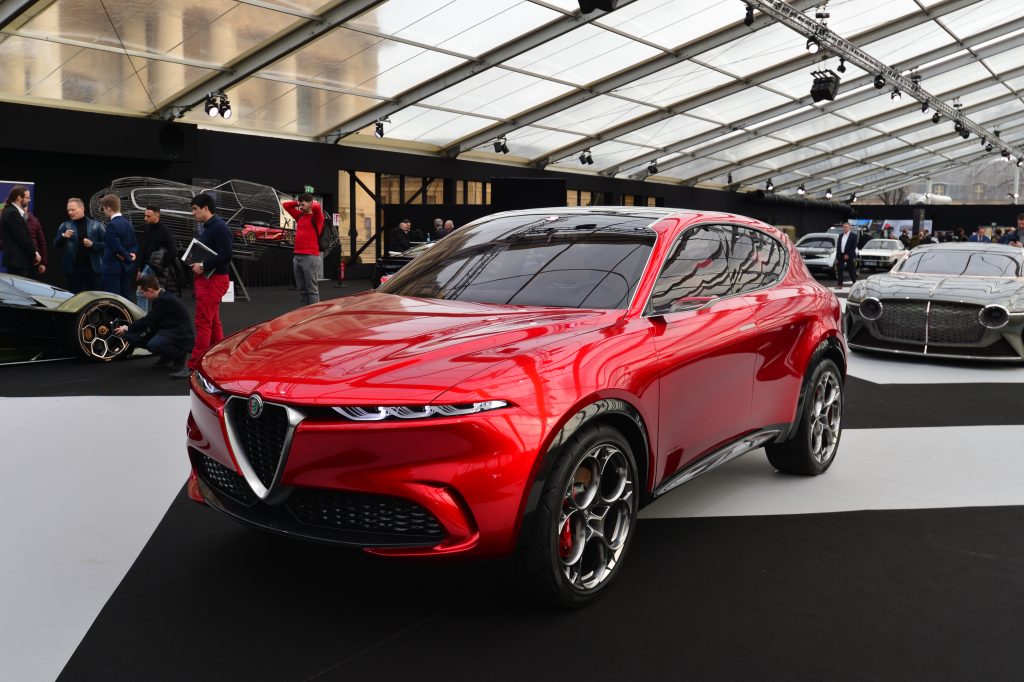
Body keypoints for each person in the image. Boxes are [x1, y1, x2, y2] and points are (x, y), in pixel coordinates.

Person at [173, 192, 232, 379]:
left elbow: (226, 254)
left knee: (204, 322)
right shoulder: (210, 227)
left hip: (213, 280)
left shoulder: (219, 228)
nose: (193, 213)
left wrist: (204, 265)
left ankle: (195, 365)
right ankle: (220, 359)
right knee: (212, 321)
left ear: (206, 208)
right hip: (208, 279)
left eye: (195, 209)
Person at [114, 273, 194, 372]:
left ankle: (180, 355)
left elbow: (148, 320)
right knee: (133, 337)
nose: (142, 295)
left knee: (153, 345)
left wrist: (127, 328)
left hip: (178, 333)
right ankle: (167, 357)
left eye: (143, 292)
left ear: (150, 290)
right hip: (168, 329)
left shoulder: (164, 300)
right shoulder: (162, 297)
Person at [53, 197, 105, 292]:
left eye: (73, 210)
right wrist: (63, 236)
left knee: (94, 297)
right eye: (68, 210)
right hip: (73, 270)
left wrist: (93, 244)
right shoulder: (65, 225)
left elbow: (107, 245)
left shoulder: (97, 225)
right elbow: (56, 244)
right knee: (75, 297)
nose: (70, 212)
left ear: (82, 209)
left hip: (93, 269)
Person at [282, 192, 325, 306]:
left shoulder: (317, 217)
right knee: (302, 290)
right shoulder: (300, 216)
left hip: (310, 257)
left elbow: (317, 207)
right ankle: (304, 314)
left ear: (310, 203)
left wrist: (310, 203)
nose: (300, 207)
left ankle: (314, 315)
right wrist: (298, 202)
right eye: (299, 204)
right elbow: (286, 205)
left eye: (303, 204)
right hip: (298, 256)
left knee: (312, 290)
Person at [137, 206, 178, 309]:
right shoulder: (147, 228)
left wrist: (161, 266)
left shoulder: (165, 230)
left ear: (157, 216)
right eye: (145, 215)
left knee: (157, 296)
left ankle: (148, 320)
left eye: (148, 216)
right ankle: (143, 319)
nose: (145, 218)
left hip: (158, 269)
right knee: (142, 293)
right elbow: (144, 250)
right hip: (147, 267)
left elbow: (173, 251)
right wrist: (140, 269)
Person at [98, 194, 138, 298]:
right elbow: (134, 245)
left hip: (113, 268)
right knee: (126, 298)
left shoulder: (112, 225)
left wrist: (127, 257)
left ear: (109, 208)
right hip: (127, 268)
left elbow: (116, 247)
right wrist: (131, 255)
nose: (104, 212)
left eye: (104, 209)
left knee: (113, 299)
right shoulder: (128, 224)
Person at [0, 185, 40, 277]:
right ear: (19, 197)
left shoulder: (10, 211)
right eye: (27, 197)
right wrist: (34, 254)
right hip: (18, 262)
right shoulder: (12, 213)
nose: (29, 200)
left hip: (18, 262)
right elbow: (23, 238)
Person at [836, 221, 858, 289]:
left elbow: (853, 247)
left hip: (849, 255)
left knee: (851, 270)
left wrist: (848, 254)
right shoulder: (840, 235)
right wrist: (837, 256)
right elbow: (839, 246)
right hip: (841, 255)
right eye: (843, 227)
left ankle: (855, 284)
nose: (844, 228)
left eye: (846, 227)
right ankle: (840, 285)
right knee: (840, 270)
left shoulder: (853, 236)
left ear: (849, 227)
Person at [25, 210, 47, 279]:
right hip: (17, 260)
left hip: (33, 261)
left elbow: (42, 242)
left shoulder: (34, 220)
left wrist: (43, 262)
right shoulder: (12, 217)